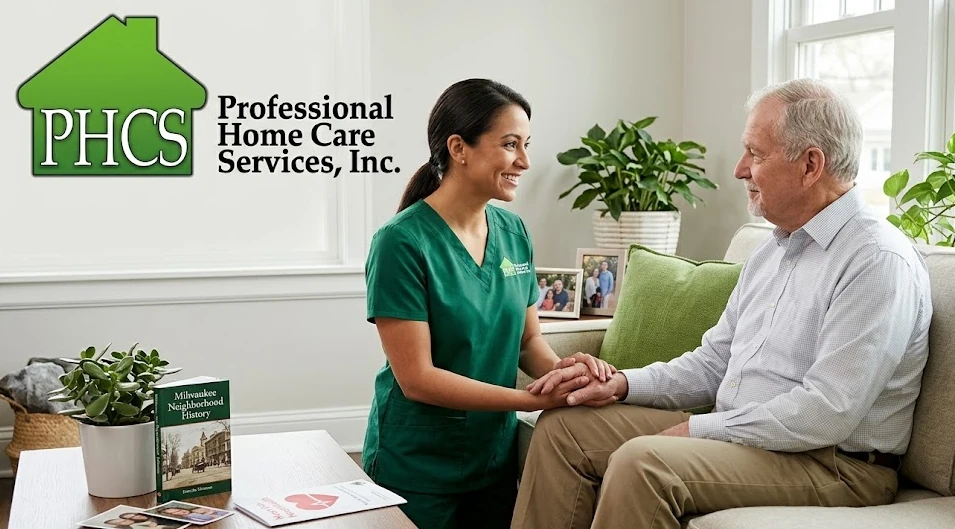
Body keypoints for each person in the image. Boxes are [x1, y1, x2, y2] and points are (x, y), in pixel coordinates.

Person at [511, 77, 933, 529]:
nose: (739, 169)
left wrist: (699, 429)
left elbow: (827, 412)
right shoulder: (774, 250)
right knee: (563, 429)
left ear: (811, 165)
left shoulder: (875, 259)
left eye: (756, 153)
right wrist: (622, 384)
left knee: (645, 463)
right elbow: (714, 363)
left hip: (835, 465)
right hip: (750, 441)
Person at [362, 78, 618, 529]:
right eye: (510, 144)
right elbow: (417, 379)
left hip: (492, 460)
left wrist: (566, 374)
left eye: (526, 145)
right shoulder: (400, 243)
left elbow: (528, 342)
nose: (525, 161)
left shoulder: (514, 232)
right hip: (418, 465)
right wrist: (528, 400)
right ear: (458, 148)